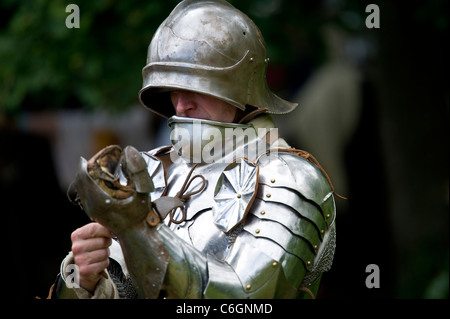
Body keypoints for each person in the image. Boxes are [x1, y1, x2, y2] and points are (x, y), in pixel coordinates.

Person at [50, 0, 337, 299]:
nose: (180, 105)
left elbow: (248, 298)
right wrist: (85, 278)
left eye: (197, 88)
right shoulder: (153, 169)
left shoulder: (290, 178)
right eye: (173, 91)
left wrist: (140, 229)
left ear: (240, 91)